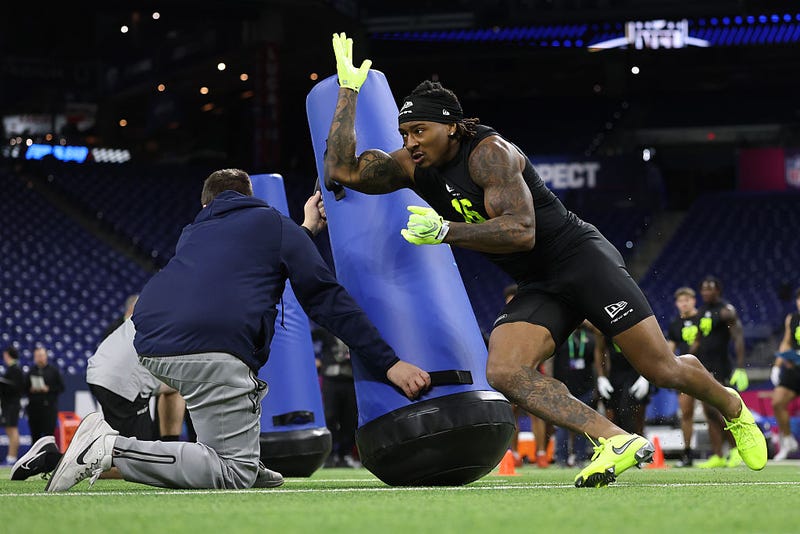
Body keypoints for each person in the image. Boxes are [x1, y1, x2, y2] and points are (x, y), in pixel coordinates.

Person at [322, 32, 767, 487]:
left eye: (420, 131)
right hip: (539, 283)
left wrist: (446, 231)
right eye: (404, 134)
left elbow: (521, 230)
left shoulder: (490, 155)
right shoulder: (413, 164)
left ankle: (731, 406)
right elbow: (343, 170)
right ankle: (614, 439)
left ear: (451, 126)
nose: (411, 142)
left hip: (580, 261)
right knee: (503, 371)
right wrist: (347, 89)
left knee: (662, 369)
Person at [44, 168, 430, 492]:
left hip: (150, 342)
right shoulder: (273, 224)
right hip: (211, 346)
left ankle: (242, 452)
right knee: (232, 472)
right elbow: (326, 299)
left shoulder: (194, 233)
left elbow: (258, 257)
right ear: (252, 196)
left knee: (235, 380)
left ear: (205, 204)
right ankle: (110, 448)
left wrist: (305, 229)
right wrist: (389, 362)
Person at [692, 276, 748, 468]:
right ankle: (718, 455)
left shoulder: (726, 311)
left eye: (710, 289)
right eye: (703, 290)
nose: (706, 292)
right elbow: (698, 340)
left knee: (720, 410)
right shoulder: (701, 312)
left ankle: (734, 450)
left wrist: (740, 367)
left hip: (721, 366)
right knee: (708, 411)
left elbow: (738, 338)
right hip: (704, 367)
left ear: (718, 291)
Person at [312, 327, 359, 468]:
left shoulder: (355, 328)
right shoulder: (326, 327)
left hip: (350, 379)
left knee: (350, 419)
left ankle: (345, 454)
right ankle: (330, 454)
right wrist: (314, 358)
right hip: (331, 379)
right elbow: (307, 337)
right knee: (330, 417)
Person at [551, 322, 597, 467]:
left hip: (585, 388)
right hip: (562, 388)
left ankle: (580, 457)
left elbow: (595, 363)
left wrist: (595, 386)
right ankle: (561, 458)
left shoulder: (590, 338)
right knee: (563, 425)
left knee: (582, 425)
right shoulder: (559, 339)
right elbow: (550, 362)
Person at [666, 286, 701, 467]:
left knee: (715, 412)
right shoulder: (674, 324)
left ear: (694, 301)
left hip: (707, 370)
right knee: (686, 413)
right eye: (681, 300)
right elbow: (669, 351)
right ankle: (687, 454)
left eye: (687, 299)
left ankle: (729, 450)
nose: (684, 303)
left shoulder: (703, 318)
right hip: (687, 373)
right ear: (677, 304)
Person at [594, 335, 651, 436]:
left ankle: (640, 443)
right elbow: (599, 349)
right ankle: (616, 444)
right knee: (612, 416)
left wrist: (645, 376)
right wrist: (601, 377)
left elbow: (649, 347)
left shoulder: (635, 323)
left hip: (636, 373)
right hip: (614, 374)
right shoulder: (606, 325)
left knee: (635, 416)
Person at [770, 287, 800, 460]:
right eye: (798, 299)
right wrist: (777, 365)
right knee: (777, 402)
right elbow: (787, 342)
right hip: (795, 367)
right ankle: (788, 441)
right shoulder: (792, 318)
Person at [26, 346, 64, 443]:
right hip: (34, 409)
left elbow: (61, 387)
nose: (40, 358)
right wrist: (31, 389)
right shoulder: (31, 371)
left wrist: (49, 389)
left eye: (42, 355)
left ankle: (48, 457)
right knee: (35, 437)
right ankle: (35, 457)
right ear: (34, 357)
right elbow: (23, 388)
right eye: (37, 356)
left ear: (46, 356)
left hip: (49, 409)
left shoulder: (53, 371)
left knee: (49, 437)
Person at [1, 346, 25, 465]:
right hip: (9, 404)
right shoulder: (13, 368)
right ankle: (11, 457)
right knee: (9, 429)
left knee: (12, 430)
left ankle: (12, 457)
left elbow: (17, 387)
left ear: (7, 355)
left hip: (12, 404)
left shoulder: (15, 369)